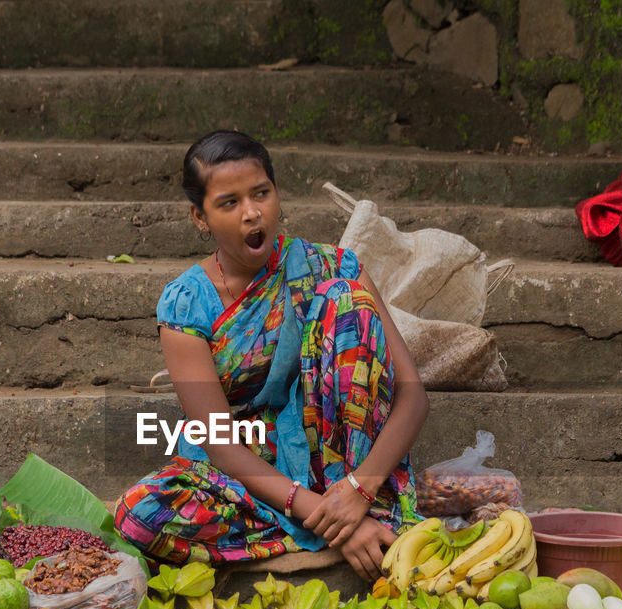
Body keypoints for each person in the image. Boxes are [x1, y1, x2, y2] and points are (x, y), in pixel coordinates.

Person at [115, 130, 429, 581]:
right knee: (139, 513)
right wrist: (325, 510)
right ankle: (343, 529)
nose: (251, 213)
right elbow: (219, 441)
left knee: (346, 299)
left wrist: (359, 489)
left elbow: (414, 398)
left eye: (261, 193)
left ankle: (354, 511)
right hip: (253, 471)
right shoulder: (186, 304)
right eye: (228, 203)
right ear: (199, 217)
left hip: (347, 465)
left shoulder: (334, 267)